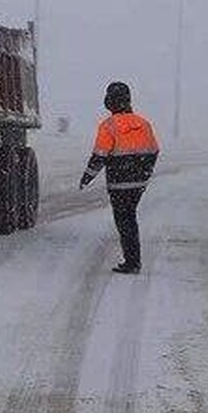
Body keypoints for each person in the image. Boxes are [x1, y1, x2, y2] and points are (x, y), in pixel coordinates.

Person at [80, 81, 159, 274]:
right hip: (139, 183)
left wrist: (87, 177)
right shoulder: (144, 123)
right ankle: (133, 259)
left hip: (119, 184)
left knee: (125, 221)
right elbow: (154, 150)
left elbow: (99, 156)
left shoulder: (108, 126)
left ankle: (132, 262)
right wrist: (144, 172)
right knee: (130, 217)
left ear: (109, 102)